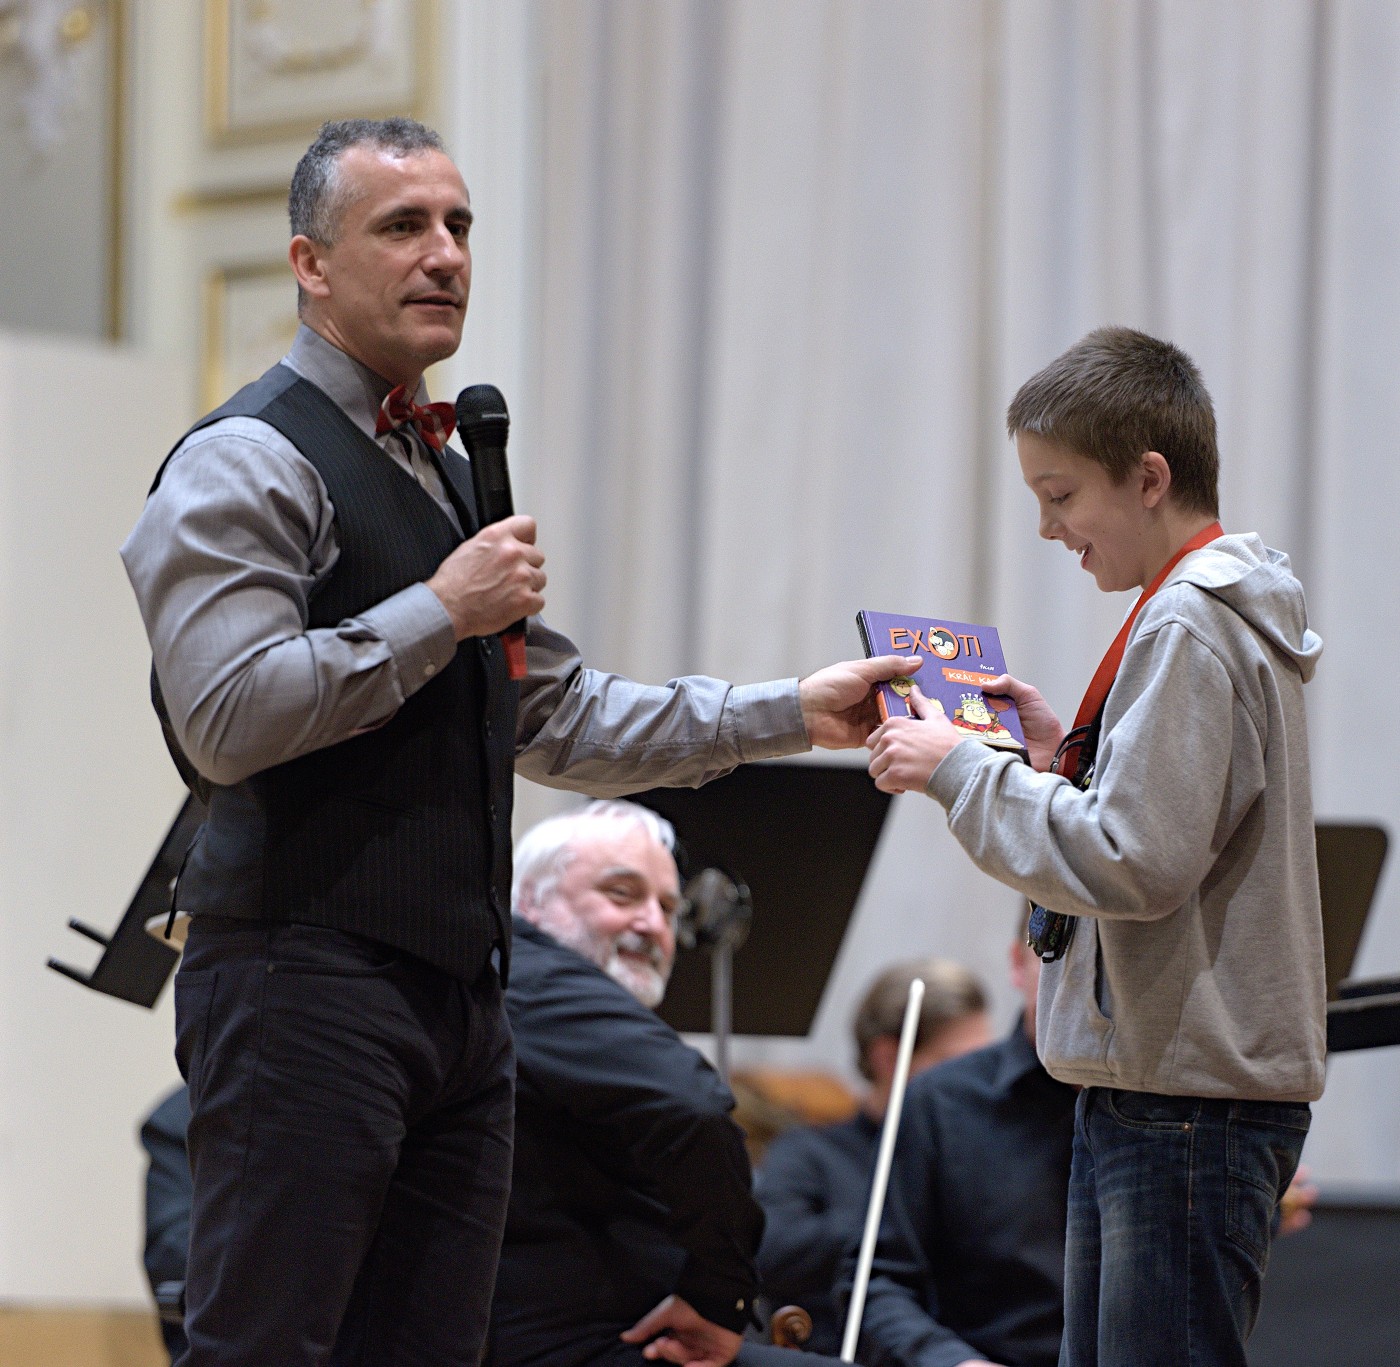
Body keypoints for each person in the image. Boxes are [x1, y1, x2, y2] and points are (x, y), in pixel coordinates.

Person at [120, 116, 907, 1367]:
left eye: (459, 226)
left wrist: (792, 711)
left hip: (460, 996)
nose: (444, 255)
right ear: (309, 263)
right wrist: (444, 607)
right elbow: (226, 718)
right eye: (401, 227)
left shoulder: (441, 471)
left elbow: (551, 710)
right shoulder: (244, 458)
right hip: (298, 972)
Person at [867, 326, 1324, 1367]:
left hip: (1182, 1101)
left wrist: (956, 767)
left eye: (1060, 493)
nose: (1044, 525)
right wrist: (1048, 757)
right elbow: (1161, 824)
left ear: (1147, 477)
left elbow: (1132, 861)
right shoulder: (1200, 611)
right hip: (1156, 1086)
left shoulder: (1187, 623)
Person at [493, 799, 760, 1367]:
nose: (652, 925)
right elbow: (692, 1108)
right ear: (528, 900)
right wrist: (720, 1299)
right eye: (622, 894)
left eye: (668, 907)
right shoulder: (530, 976)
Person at [854, 923, 1076, 1367]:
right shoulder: (938, 1102)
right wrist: (952, 1362)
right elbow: (875, 1286)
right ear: (1019, 962)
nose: (1085, 978)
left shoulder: (1183, 1112)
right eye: (1065, 951)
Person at [754, 958, 992, 1353]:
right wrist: (907, 1225)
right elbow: (773, 1251)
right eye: (959, 1064)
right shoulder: (810, 1153)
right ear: (888, 1059)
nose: (977, 1084)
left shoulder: (978, 1154)